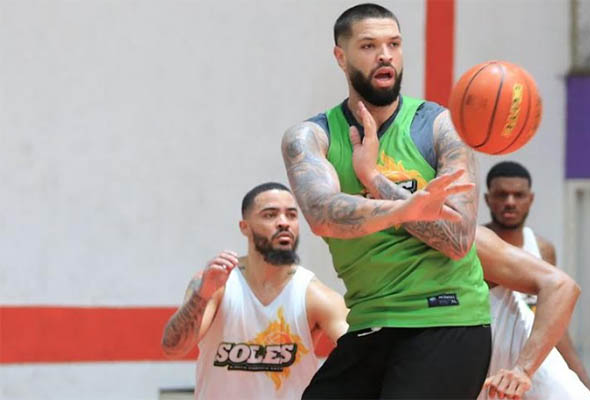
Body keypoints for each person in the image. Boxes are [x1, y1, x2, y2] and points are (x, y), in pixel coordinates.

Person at [281, 3, 493, 398]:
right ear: (340, 57)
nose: (385, 55)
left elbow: (459, 238)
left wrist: (374, 180)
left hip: (445, 316)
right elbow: (323, 215)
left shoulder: (441, 126)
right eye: (369, 46)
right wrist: (407, 208)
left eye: (394, 44)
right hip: (370, 321)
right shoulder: (311, 137)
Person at [160, 182, 348, 399]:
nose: (283, 223)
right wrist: (203, 294)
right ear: (245, 227)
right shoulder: (217, 285)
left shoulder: (315, 296)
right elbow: (173, 348)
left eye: (291, 215)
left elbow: (362, 356)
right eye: (270, 215)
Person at [483, 160, 590, 399]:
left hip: (532, 359)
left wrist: (584, 380)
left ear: (531, 199)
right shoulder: (476, 245)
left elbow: (555, 324)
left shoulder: (542, 248)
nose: (510, 202)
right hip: (491, 357)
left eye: (518, 195)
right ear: (487, 199)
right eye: (502, 194)